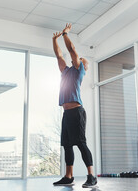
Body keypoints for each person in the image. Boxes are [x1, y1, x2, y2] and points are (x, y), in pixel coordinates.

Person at [52, 23, 97, 188]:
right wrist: (54, 40)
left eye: (80, 59)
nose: (77, 59)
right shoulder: (65, 72)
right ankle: (68, 176)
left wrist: (65, 34)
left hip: (77, 112)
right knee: (67, 144)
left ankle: (92, 176)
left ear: (84, 66)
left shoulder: (79, 71)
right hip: (66, 114)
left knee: (80, 143)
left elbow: (71, 50)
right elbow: (59, 56)